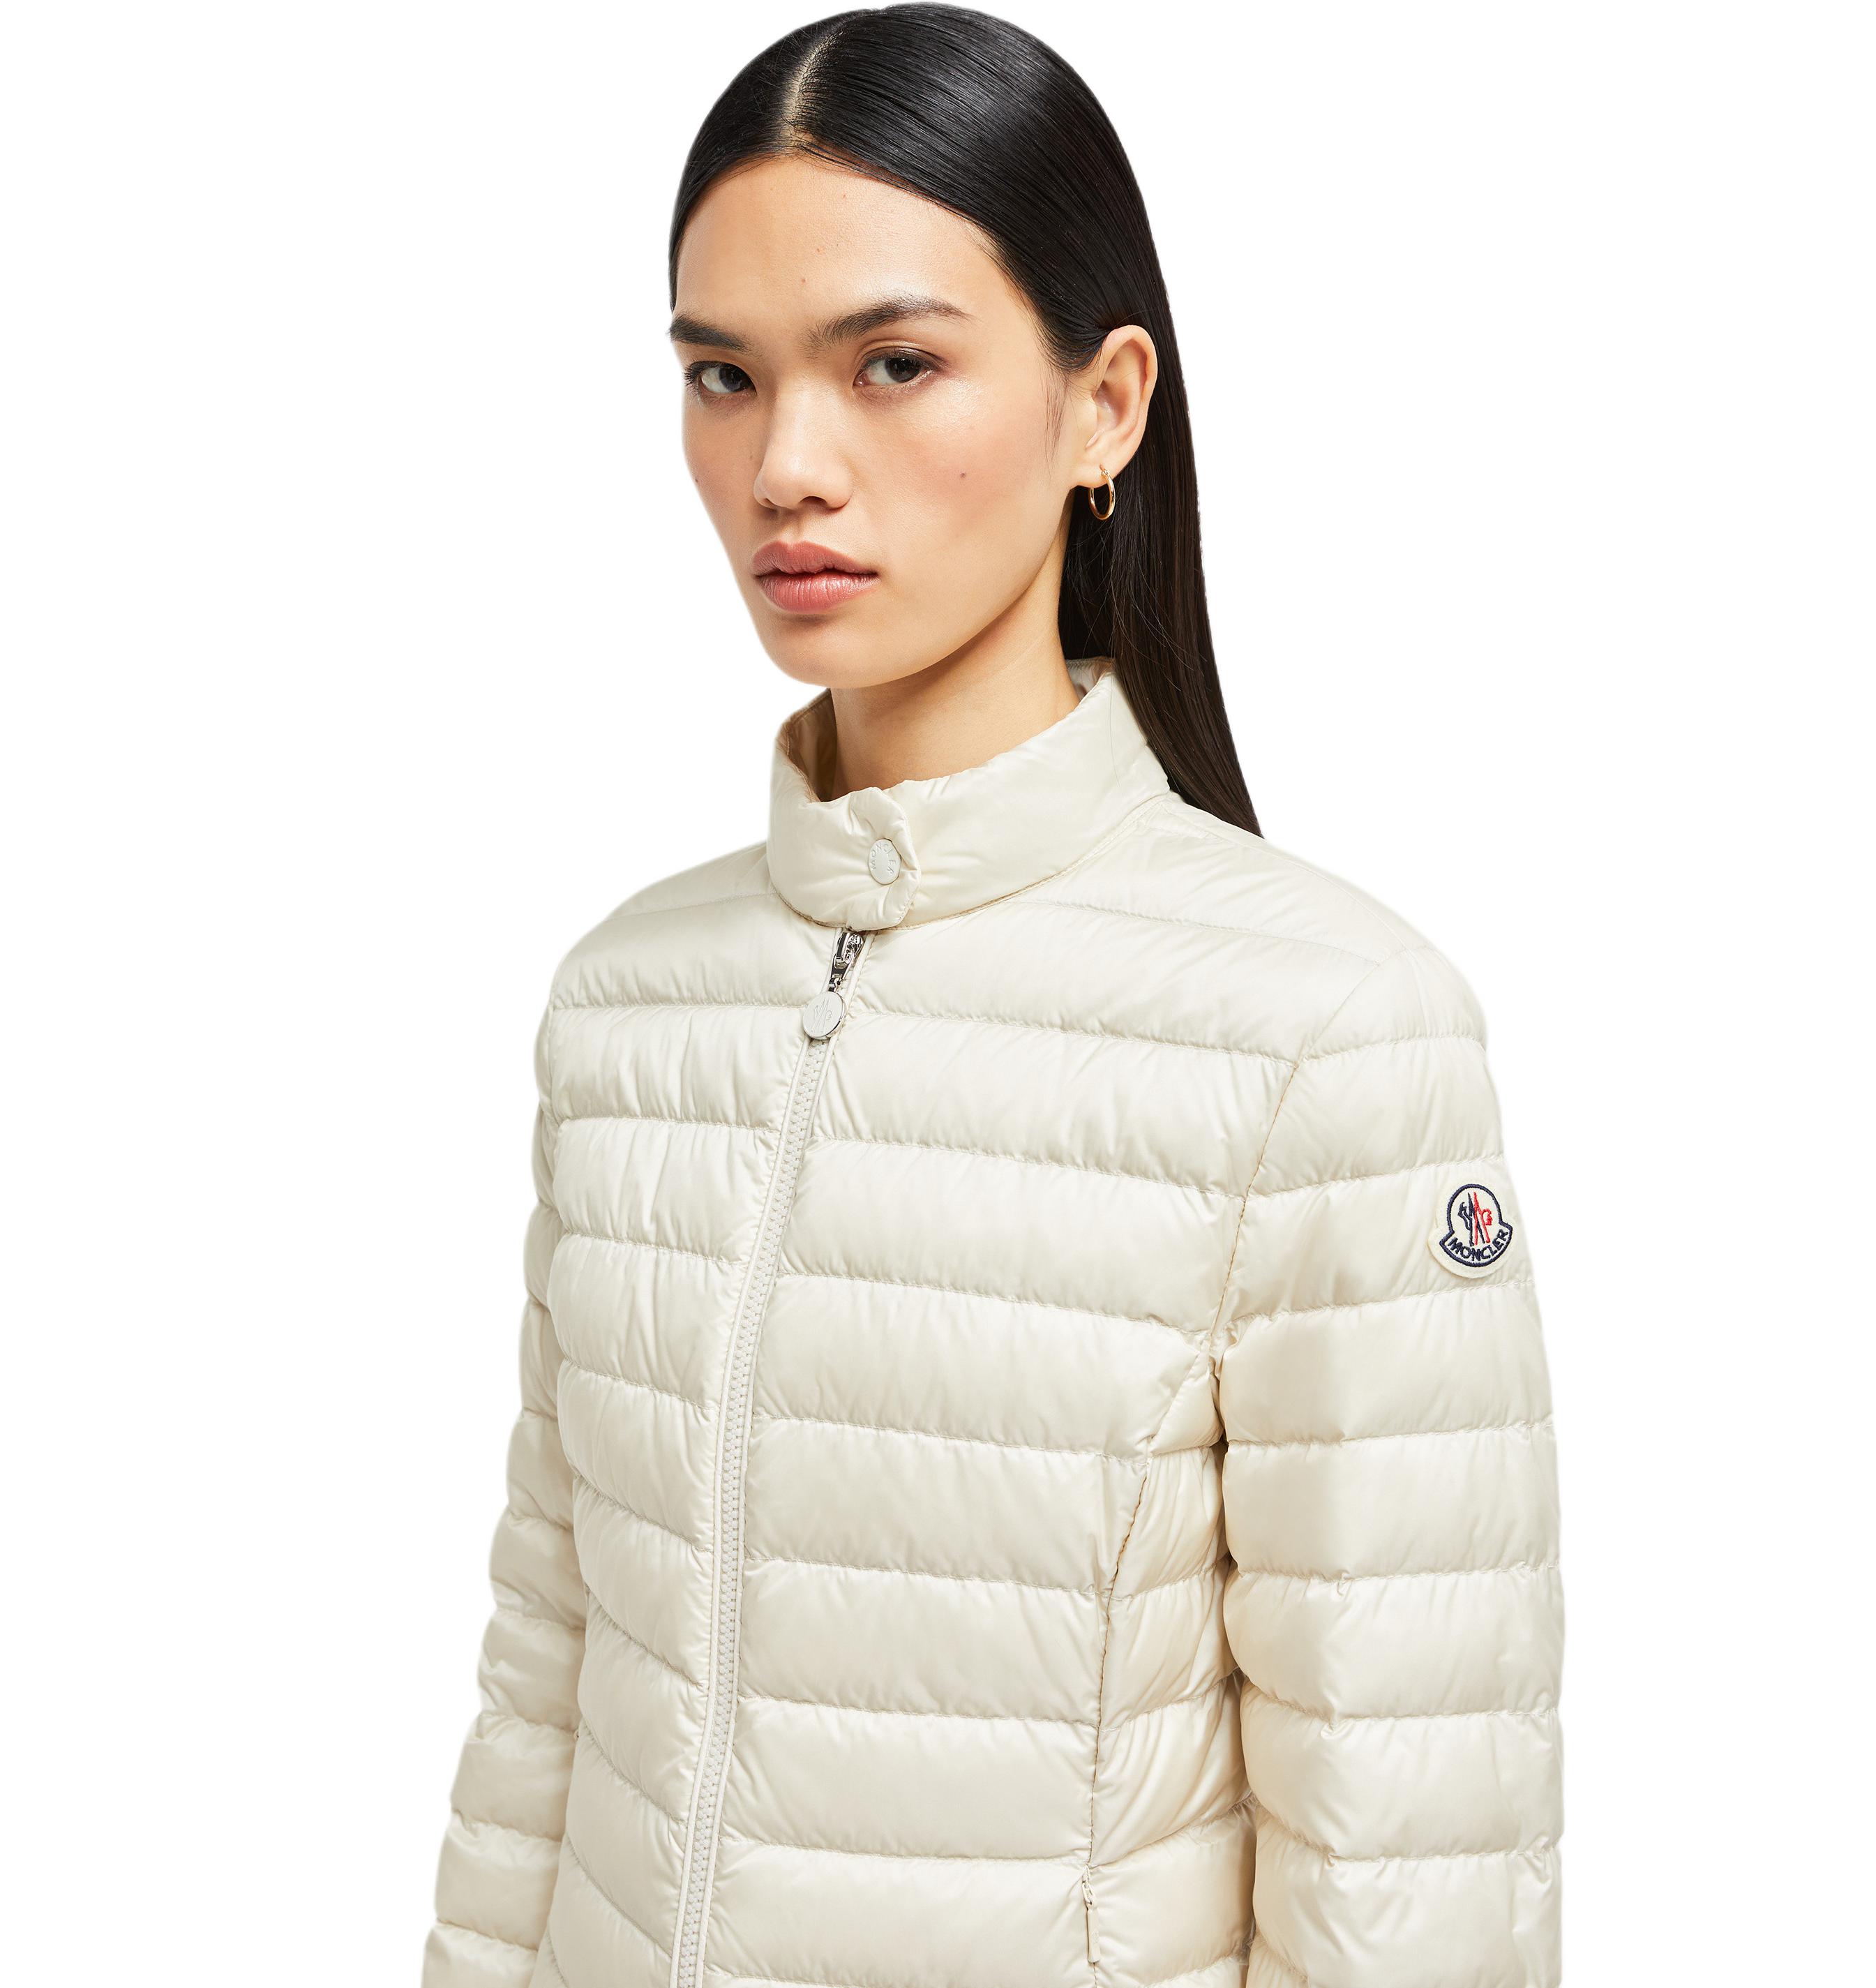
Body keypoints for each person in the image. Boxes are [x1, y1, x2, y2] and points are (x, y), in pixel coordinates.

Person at [419, 7, 1564, 1985]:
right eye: (722, 375)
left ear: (1104, 405)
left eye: (892, 364)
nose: (786, 466)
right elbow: (546, 1686)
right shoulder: (627, 1009)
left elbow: (1413, 1840)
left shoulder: (1328, 1032)